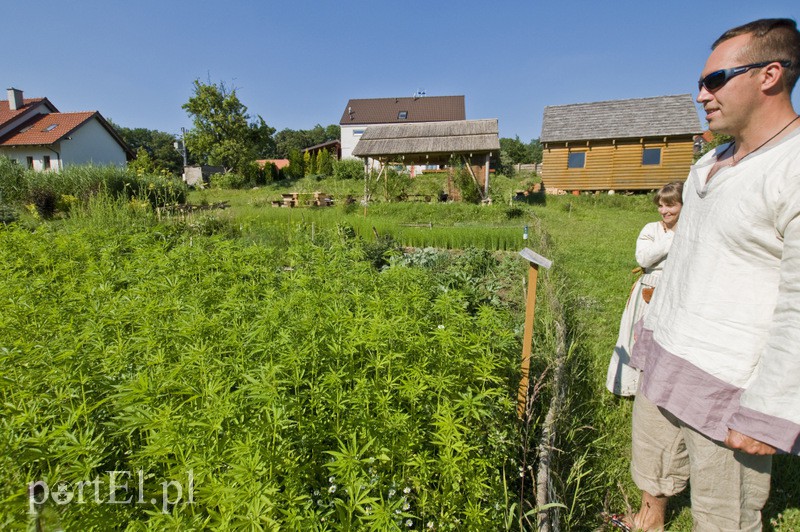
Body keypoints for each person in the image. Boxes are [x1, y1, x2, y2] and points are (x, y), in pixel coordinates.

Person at [622, 18, 800, 532]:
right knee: (652, 463)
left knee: (724, 512)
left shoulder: (790, 170)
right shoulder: (707, 167)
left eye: (716, 79)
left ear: (769, 75)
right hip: (668, 353)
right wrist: (649, 335)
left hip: (728, 382)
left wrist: (770, 409)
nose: (702, 94)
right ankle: (649, 520)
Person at [606, 181, 683, 397]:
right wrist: (673, 236)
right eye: (661, 206)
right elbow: (644, 257)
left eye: (671, 205)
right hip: (649, 288)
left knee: (665, 340)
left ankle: (658, 390)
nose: (664, 211)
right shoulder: (652, 229)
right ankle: (629, 387)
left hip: (675, 289)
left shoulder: (691, 231)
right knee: (636, 335)